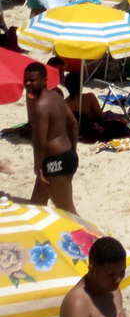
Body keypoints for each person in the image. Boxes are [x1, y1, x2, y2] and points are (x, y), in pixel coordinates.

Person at [25, 61, 79, 214]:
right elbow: (73, 124)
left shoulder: (41, 106)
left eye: (32, 80)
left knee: (68, 212)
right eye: (26, 79)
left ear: (44, 80)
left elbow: (41, 142)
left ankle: (94, 238)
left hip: (55, 162)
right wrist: (73, 151)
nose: (28, 83)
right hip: (65, 156)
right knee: (36, 206)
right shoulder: (56, 97)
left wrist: (37, 167)